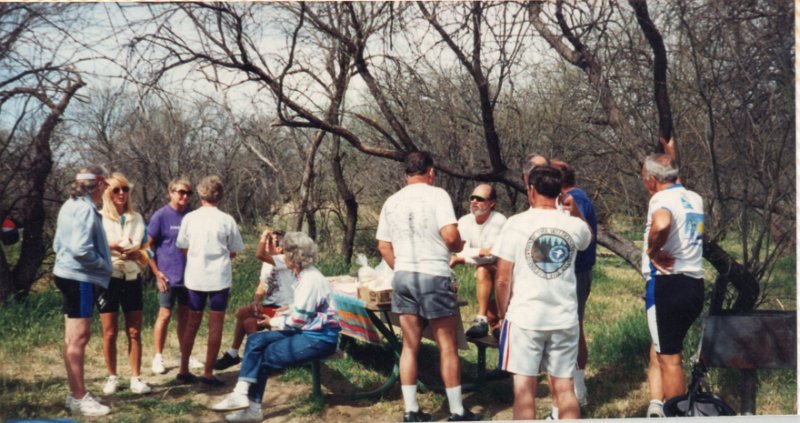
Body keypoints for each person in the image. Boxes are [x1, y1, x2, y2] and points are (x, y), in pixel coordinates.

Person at [375, 151, 477, 422]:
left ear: (406, 174)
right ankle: (456, 410)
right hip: (433, 274)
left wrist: (401, 267)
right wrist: (458, 246)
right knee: (447, 345)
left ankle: (411, 410)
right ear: (430, 172)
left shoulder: (392, 201)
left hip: (404, 276)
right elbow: (451, 235)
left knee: (410, 345)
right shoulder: (437, 195)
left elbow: (383, 245)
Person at [210, 232, 341, 423]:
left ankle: (253, 409)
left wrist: (271, 322)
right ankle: (241, 393)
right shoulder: (302, 273)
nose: (282, 257)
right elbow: (304, 310)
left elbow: (298, 320)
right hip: (307, 330)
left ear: (295, 257)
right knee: (256, 339)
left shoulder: (310, 280)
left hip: (320, 338)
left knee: (265, 356)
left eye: (286, 253)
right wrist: (286, 310)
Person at [494, 166, 592, 420]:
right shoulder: (572, 225)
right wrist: (575, 210)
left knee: (524, 391)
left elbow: (503, 278)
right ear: (560, 192)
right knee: (564, 387)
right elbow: (586, 237)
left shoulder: (515, 224)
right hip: (564, 317)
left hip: (525, 317)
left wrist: (502, 314)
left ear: (531, 190)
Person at [641, 154, 704, 418]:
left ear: (652, 179)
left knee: (670, 359)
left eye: (645, 177)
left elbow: (663, 223)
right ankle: (659, 405)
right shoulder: (694, 197)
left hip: (668, 285)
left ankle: (678, 414)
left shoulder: (661, 199)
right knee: (662, 349)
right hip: (694, 283)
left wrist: (653, 250)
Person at [53, 166, 113, 416]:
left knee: (71, 339)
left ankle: (75, 392)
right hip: (80, 278)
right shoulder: (86, 208)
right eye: (106, 186)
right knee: (79, 338)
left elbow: (58, 244)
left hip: (66, 273)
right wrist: (102, 264)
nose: (106, 191)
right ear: (98, 183)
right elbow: (80, 249)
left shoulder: (69, 205)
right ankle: (79, 397)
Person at [175, 175, 244, 386]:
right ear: (221, 195)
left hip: (195, 278)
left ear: (200, 194)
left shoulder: (189, 218)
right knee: (216, 325)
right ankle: (207, 373)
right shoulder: (226, 220)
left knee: (192, 323)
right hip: (218, 279)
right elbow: (234, 250)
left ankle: (184, 370)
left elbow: (184, 247)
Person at [95, 173, 152, 395]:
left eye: (125, 189)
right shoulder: (98, 218)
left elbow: (149, 251)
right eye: (116, 190)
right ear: (107, 193)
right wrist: (112, 248)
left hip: (132, 278)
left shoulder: (137, 218)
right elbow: (91, 248)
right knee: (109, 332)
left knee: (134, 331)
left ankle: (136, 378)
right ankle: (112, 377)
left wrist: (138, 253)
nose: (121, 194)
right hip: (108, 279)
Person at [550, 160, 597, 408]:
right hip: (569, 272)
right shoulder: (567, 199)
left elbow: (580, 237)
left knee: (573, 328)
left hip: (577, 273)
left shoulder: (576, 200)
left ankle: (579, 391)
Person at [214, 230, 296, 370]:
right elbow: (262, 285)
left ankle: (254, 357)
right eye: (268, 241)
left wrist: (263, 237)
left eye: (271, 242)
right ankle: (242, 355)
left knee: (246, 318)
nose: (266, 245)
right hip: (270, 306)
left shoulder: (284, 259)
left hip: (283, 309)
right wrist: (256, 302)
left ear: (280, 247)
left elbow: (258, 254)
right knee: (245, 316)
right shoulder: (268, 262)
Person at [148, 177, 205, 375]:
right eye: (180, 192)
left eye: (188, 193)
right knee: (164, 315)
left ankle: (185, 354)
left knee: (185, 317)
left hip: (189, 277)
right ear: (170, 192)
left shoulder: (192, 216)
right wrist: (156, 273)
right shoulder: (161, 216)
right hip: (168, 277)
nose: (184, 196)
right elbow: (147, 246)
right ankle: (158, 356)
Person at [450, 184, 507, 339]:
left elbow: (492, 256)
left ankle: (482, 320)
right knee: (482, 271)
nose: (474, 202)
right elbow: (459, 249)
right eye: (472, 198)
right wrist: (479, 251)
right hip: (485, 270)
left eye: (480, 199)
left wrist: (462, 258)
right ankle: (493, 326)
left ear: (491, 203)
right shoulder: (464, 221)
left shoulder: (499, 221)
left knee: (483, 269)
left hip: (506, 272)